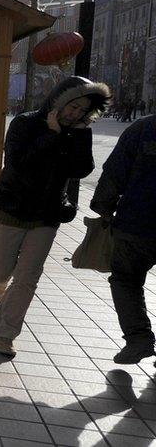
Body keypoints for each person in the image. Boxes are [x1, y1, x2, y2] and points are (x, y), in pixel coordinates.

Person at [0, 76, 110, 356]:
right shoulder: (25, 123)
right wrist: (51, 135)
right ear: (58, 100)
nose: (75, 113)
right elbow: (18, 163)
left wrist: (73, 136)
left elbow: (82, 169)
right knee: (1, 271)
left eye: (82, 110)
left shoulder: (78, 131)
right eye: (72, 106)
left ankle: (5, 333)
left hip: (47, 214)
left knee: (27, 277)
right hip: (11, 208)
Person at [90, 114, 156, 364]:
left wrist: (104, 208)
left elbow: (114, 171)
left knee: (126, 281)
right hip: (135, 224)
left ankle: (138, 339)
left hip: (136, 224)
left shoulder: (143, 128)